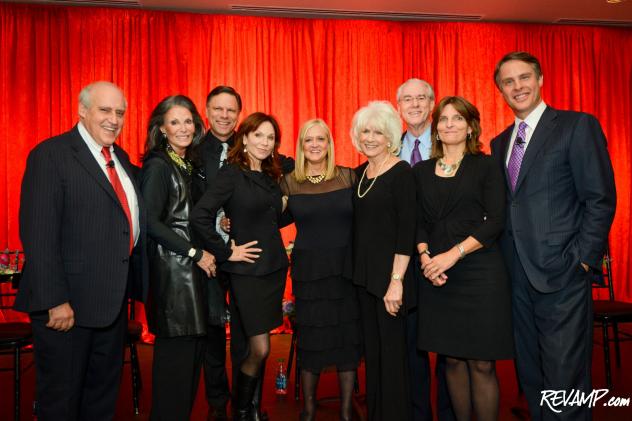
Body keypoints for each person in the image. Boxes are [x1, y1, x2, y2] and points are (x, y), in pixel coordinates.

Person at [490, 51, 616, 420]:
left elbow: (600, 199)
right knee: (531, 375)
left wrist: (582, 260)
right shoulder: (500, 143)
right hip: (516, 278)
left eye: (524, 77)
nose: (518, 87)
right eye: (508, 82)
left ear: (540, 79)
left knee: (565, 379)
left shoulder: (577, 126)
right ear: (500, 90)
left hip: (563, 274)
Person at [17, 81, 147, 420]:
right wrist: (54, 301)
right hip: (67, 309)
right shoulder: (51, 155)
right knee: (61, 402)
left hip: (112, 305)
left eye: (120, 112)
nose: (114, 119)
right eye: (105, 110)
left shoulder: (121, 158)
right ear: (82, 110)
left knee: (101, 400)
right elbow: (39, 235)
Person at [414, 96, 513, 421]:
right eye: (443, 119)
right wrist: (427, 258)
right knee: (452, 360)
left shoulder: (485, 166)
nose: (449, 125)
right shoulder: (421, 171)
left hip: (480, 272)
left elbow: (496, 221)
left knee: (481, 362)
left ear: (471, 126)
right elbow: (416, 222)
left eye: (457, 119)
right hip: (436, 275)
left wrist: (451, 256)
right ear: (436, 129)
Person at [191, 112, 289, 421]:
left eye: (270, 137)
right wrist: (224, 252)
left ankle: (249, 410)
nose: (264, 142)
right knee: (259, 349)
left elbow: (270, 218)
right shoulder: (231, 173)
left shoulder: (273, 175)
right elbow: (199, 215)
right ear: (243, 138)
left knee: (258, 347)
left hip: (274, 269)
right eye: (258, 135)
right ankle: (242, 411)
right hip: (246, 273)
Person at [140, 95, 217, 420]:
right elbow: (151, 222)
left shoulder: (187, 163)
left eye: (188, 121)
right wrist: (194, 252)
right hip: (174, 283)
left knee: (189, 373)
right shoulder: (158, 165)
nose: (183, 128)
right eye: (175, 122)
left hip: (193, 281)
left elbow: (186, 216)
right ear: (161, 128)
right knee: (174, 375)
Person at [280, 119, 361, 421]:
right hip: (309, 272)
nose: (314, 145)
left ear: (329, 143)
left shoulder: (348, 177)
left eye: (320, 139)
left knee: (346, 338)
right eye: (308, 140)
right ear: (301, 146)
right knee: (311, 338)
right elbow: (268, 218)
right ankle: (309, 409)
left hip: (345, 269)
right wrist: (229, 222)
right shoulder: (289, 182)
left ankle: (345, 411)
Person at [352, 101, 416, 421]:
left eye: (378, 131)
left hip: (390, 280)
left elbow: (407, 232)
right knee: (373, 356)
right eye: (365, 130)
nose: (371, 137)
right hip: (364, 279)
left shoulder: (402, 172)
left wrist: (396, 281)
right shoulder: (361, 172)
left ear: (390, 136)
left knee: (392, 358)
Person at [396, 78, 454, 421]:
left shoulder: (450, 138)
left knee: (449, 349)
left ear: (432, 103)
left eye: (421, 98)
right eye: (408, 99)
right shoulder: (390, 147)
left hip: (449, 259)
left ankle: (450, 412)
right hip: (407, 262)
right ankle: (419, 414)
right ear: (399, 106)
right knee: (412, 346)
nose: (415, 105)